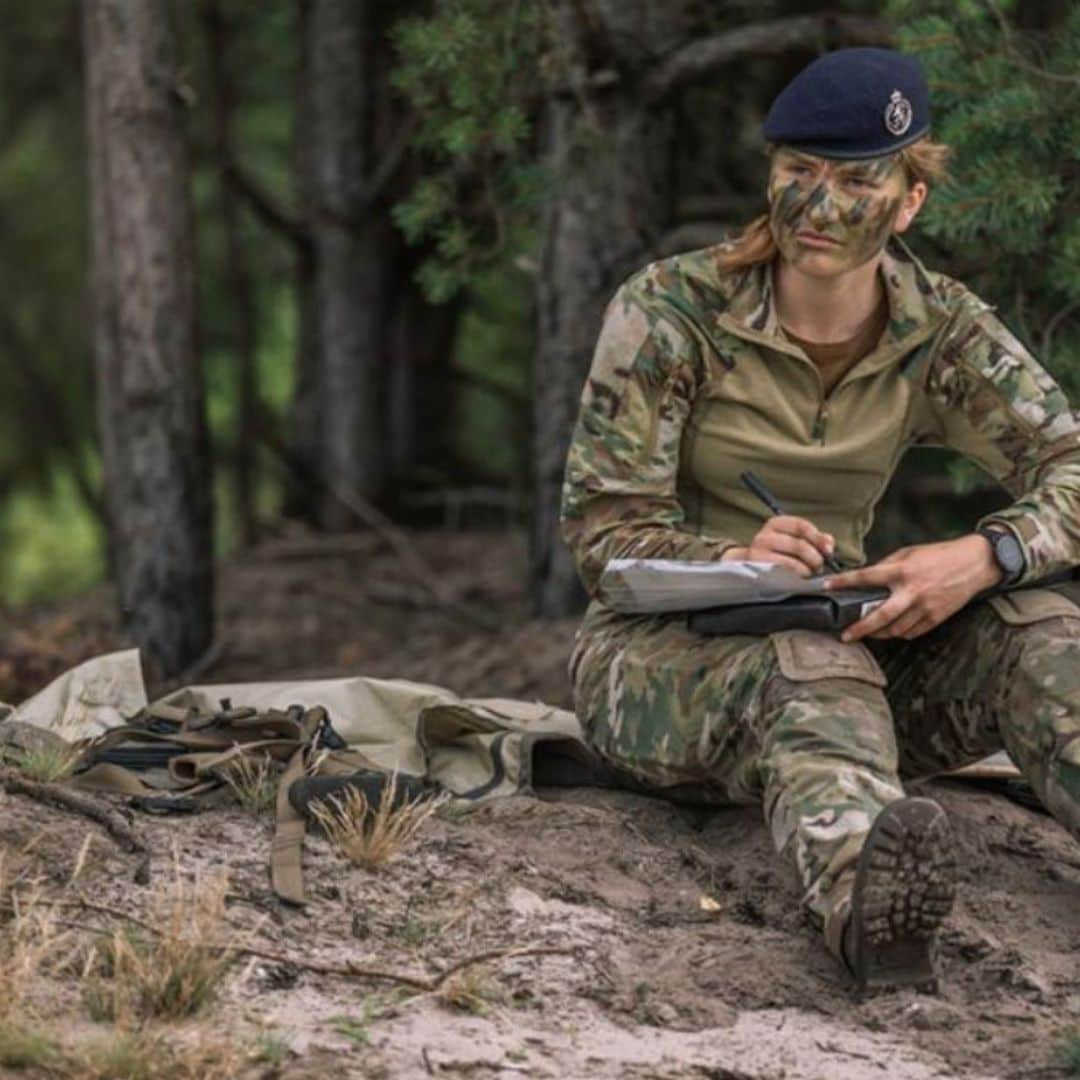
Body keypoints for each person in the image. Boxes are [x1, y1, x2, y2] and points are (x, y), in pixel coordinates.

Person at [559, 46, 1080, 988]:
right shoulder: (675, 310)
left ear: (909, 201)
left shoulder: (942, 331)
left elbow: (1071, 462)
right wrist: (731, 555)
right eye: (797, 171)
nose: (818, 205)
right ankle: (868, 919)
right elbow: (603, 541)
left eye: (854, 179)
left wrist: (985, 553)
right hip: (654, 665)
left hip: (842, 639)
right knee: (812, 665)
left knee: (1044, 629)